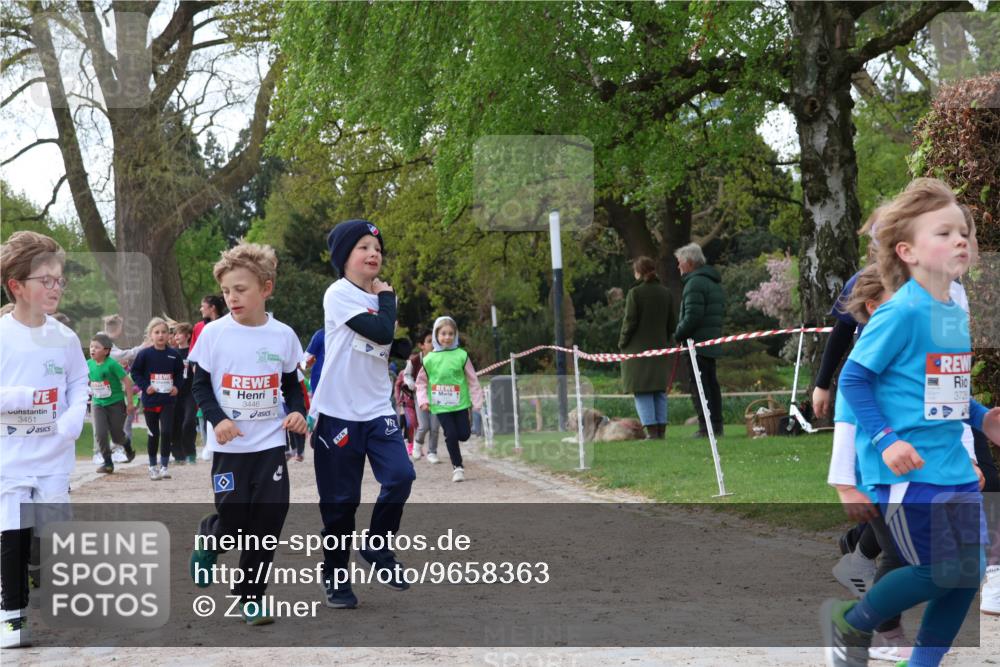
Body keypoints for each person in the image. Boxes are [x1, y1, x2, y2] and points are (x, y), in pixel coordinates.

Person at [821, 178, 1000, 667]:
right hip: (906, 469)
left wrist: (983, 420)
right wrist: (885, 440)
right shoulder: (898, 311)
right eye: (943, 233)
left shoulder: (949, 312)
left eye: (962, 231)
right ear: (908, 251)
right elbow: (853, 380)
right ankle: (850, 622)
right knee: (937, 571)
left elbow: (945, 388)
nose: (960, 239)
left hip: (950, 465)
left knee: (967, 572)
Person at [188, 243, 306, 626]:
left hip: (270, 444)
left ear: (266, 289)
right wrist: (218, 419)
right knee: (235, 520)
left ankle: (249, 597)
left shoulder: (284, 335)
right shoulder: (213, 334)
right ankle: (211, 535)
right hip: (230, 446)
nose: (232, 298)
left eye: (240, 289)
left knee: (268, 521)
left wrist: (297, 412)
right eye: (225, 292)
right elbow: (201, 387)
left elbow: (291, 385)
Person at [310, 219, 416, 609]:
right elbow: (380, 330)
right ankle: (336, 578)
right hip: (337, 412)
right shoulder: (338, 293)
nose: (374, 254)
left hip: (375, 408)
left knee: (402, 476)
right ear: (344, 257)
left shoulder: (381, 296)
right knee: (341, 506)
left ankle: (377, 547)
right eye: (364, 247)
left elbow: (383, 341)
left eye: (378, 248)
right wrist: (388, 302)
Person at [1, 231, 89, 649]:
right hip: (12, 458)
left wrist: (73, 415)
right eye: (45, 281)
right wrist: (15, 400)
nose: (55, 288)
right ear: (17, 286)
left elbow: (78, 379)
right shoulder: (2, 337)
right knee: (12, 533)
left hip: (54, 455)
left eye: (59, 280)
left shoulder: (65, 338)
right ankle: (12, 616)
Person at [416, 316, 485, 482]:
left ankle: (459, 460)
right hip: (441, 406)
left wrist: (477, 402)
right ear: (436, 336)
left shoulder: (462, 355)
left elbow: (473, 380)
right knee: (451, 434)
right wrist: (423, 400)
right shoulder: (429, 359)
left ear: (455, 335)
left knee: (464, 434)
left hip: (461, 404)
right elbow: (421, 383)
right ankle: (458, 467)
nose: (447, 337)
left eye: (450, 333)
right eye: (443, 333)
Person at [619, 256, 677, 439]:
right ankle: (661, 431)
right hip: (660, 348)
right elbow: (672, 324)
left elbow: (629, 322)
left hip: (637, 350)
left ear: (639, 272)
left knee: (642, 390)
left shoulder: (635, 294)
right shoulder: (666, 293)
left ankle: (651, 433)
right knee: (659, 390)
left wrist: (622, 342)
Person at [673, 243, 725, 437]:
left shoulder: (694, 283)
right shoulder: (712, 282)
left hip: (697, 344)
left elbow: (692, 316)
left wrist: (678, 334)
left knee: (700, 386)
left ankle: (706, 427)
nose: (678, 267)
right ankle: (716, 425)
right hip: (710, 341)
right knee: (711, 384)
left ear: (689, 263)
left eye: (680, 263)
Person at [131, 318, 184, 481]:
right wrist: (145, 386)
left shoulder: (174, 355)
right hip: (151, 401)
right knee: (153, 434)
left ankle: (164, 466)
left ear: (169, 335)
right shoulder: (144, 354)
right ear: (151, 335)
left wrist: (177, 386)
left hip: (168, 401)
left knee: (167, 432)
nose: (160, 335)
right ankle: (152, 466)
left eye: (164, 332)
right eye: (157, 332)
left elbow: (180, 374)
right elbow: (135, 373)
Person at [87, 332, 136, 473]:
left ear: (107, 350)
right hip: (97, 404)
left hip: (115, 403)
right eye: (91, 347)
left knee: (117, 436)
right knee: (100, 434)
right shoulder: (88, 364)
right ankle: (108, 463)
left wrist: (130, 403)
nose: (92, 349)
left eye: (97, 347)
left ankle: (127, 446)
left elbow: (127, 382)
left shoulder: (112, 364)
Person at [405, 329, 441, 462]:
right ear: (421, 345)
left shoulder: (439, 357)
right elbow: (407, 375)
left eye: (434, 340)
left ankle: (432, 452)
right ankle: (417, 445)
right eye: (429, 341)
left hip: (437, 394)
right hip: (420, 395)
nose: (432, 344)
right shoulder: (415, 360)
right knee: (424, 425)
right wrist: (412, 384)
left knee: (435, 426)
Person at [170, 322, 198, 465]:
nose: (176, 336)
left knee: (188, 422)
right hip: (175, 393)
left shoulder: (194, 353)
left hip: (190, 394)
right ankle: (178, 454)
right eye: (175, 334)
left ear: (188, 336)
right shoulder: (172, 354)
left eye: (179, 333)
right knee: (175, 423)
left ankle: (191, 452)